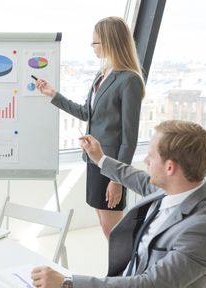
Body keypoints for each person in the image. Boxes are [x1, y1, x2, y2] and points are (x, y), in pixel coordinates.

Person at [31, 120, 206, 288]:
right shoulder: (175, 189)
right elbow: (136, 178)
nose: (145, 160)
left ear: (170, 167)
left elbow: (148, 287)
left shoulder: (205, 229)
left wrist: (67, 285)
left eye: (151, 156)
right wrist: (100, 158)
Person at [36, 16, 145, 238]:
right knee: (105, 224)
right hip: (94, 161)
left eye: (95, 43)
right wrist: (53, 94)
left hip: (111, 164)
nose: (92, 47)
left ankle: (124, 271)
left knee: (114, 232)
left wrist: (117, 179)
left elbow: (129, 137)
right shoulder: (102, 74)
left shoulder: (129, 80)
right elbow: (87, 113)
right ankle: (118, 271)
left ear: (109, 42)